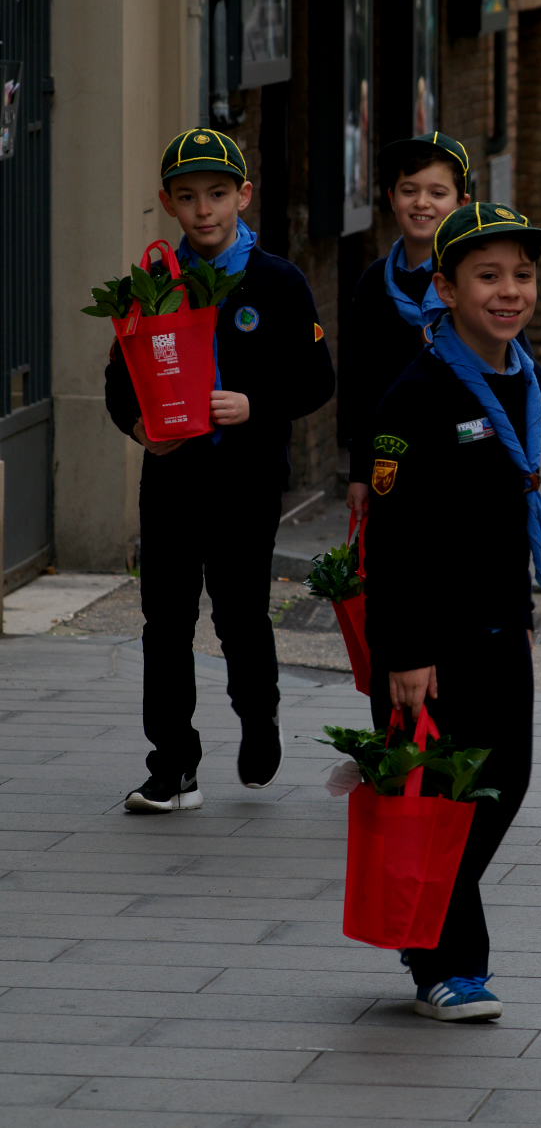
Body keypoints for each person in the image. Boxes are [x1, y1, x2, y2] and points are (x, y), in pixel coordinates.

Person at [364, 201, 541, 1022]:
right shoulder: (419, 391)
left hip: (496, 624)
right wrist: (405, 652)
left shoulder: (527, 376)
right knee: (449, 795)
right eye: (487, 276)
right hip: (429, 639)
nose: (508, 291)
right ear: (445, 288)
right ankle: (446, 966)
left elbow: (510, 506)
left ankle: (427, 930)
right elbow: (395, 535)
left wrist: (518, 611)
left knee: (503, 784)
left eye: (520, 274)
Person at [105, 127, 335, 813]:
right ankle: (172, 764)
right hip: (171, 480)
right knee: (165, 621)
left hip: (245, 480)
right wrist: (140, 427)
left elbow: (317, 379)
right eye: (187, 197)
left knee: (238, 615)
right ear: (167, 203)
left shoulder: (278, 281)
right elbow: (121, 381)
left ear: (243, 195)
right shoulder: (149, 285)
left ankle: (259, 720)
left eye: (216, 194)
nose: (204, 210)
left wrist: (255, 405)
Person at [344, 131, 471, 517]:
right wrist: (358, 472)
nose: (421, 203)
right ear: (391, 198)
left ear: (462, 203)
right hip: (392, 461)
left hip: (464, 464)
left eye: (437, 192)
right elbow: (359, 385)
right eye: (408, 190)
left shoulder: (475, 281)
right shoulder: (374, 282)